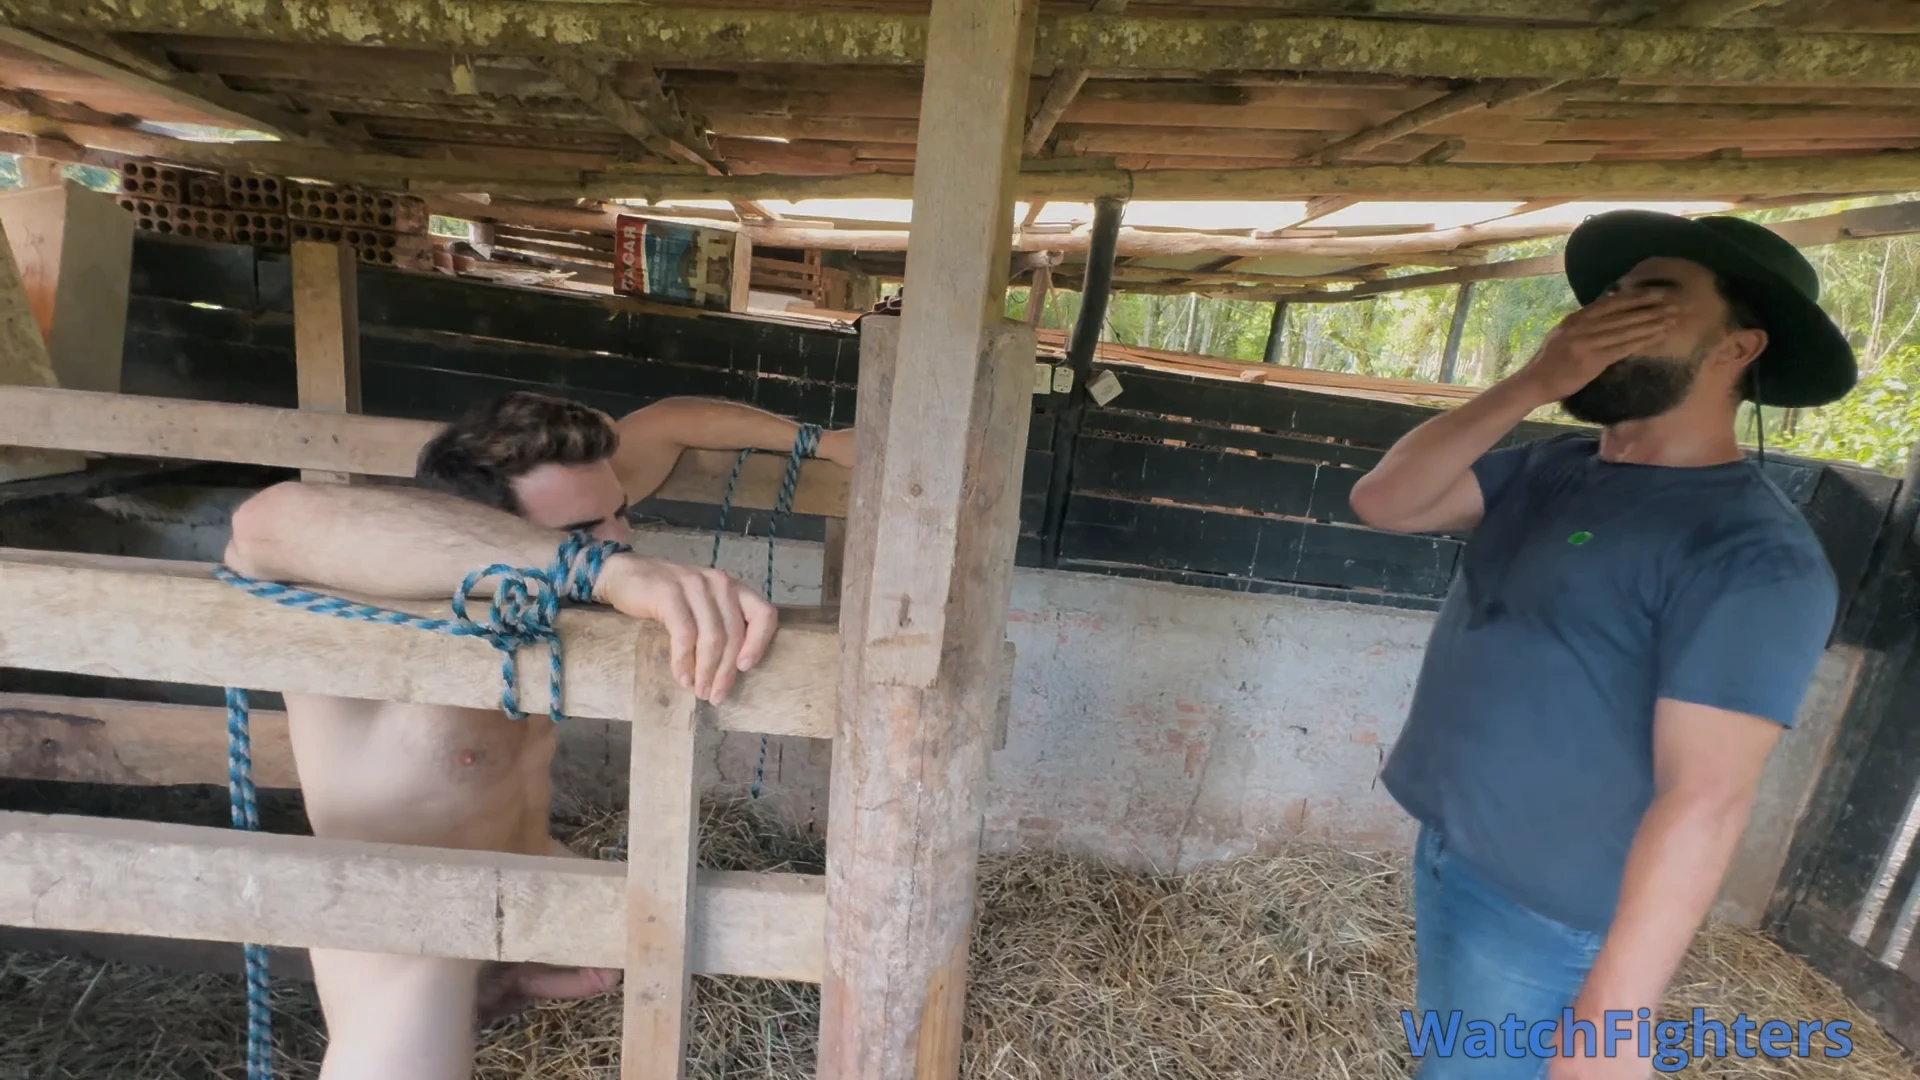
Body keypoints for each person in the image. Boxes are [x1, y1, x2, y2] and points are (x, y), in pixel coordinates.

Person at [1348, 210, 1857, 1080]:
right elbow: (1384, 501)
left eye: (1652, 300)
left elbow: (1705, 799)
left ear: (1739, 348)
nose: (1607, 317)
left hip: (1547, 916)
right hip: (1454, 855)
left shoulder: (1752, 555)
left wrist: (1613, 1024)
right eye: (1609, 297)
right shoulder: (1556, 466)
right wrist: (1529, 382)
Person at [222, 391, 853, 1080]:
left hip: (528, 878)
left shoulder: (577, 511)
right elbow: (261, 523)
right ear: (487, 528)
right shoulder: (364, 596)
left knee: (707, 928)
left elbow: (669, 424)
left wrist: (823, 444)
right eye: (582, 531)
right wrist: (597, 571)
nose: (618, 538)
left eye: (621, 513)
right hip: (410, 926)